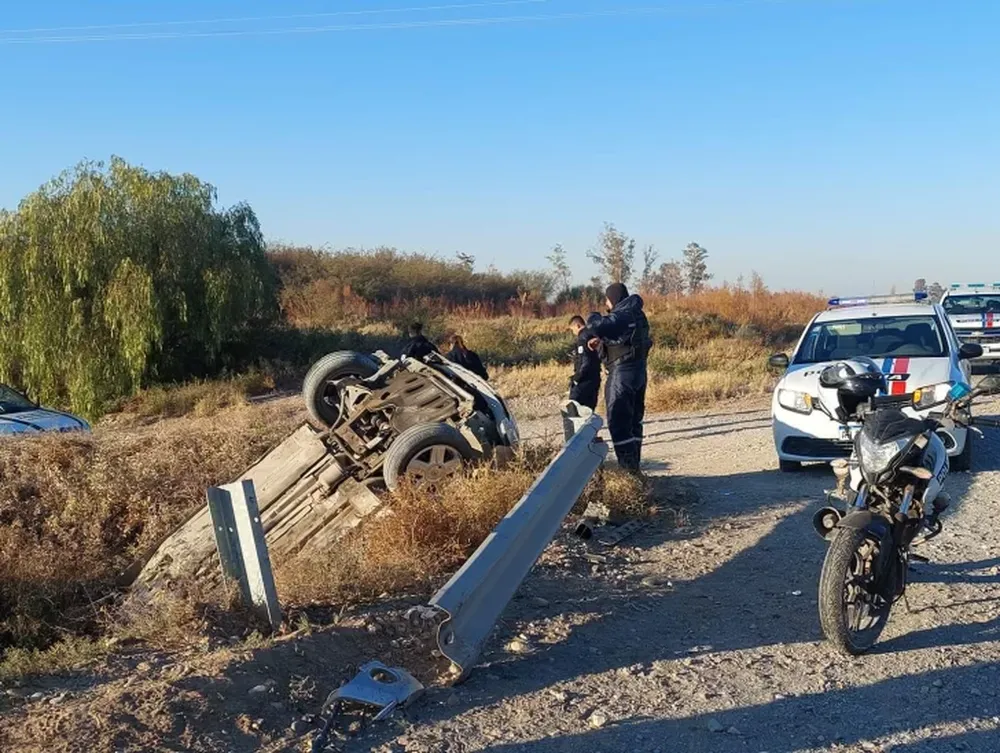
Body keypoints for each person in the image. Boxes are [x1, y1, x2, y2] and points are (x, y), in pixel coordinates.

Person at [586, 283, 652, 471]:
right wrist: (602, 343)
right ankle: (634, 466)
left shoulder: (623, 315)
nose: (606, 304)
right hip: (639, 371)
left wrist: (593, 315)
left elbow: (595, 325)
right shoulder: (638, 314)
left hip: (622, 374)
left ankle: (628, 468)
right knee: (634, 421)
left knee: (619, 420)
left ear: (613, 298)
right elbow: (626, 339)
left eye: (607, 300)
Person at [568, 315, 601, 410]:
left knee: (574, 406)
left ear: (577, 326)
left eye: (573, 330)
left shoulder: (583, 337)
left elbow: (585, 360)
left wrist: (577, 377)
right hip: (595, 376)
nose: (573, 333)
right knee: (589, 408)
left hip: (585, 378)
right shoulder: (593, 335)